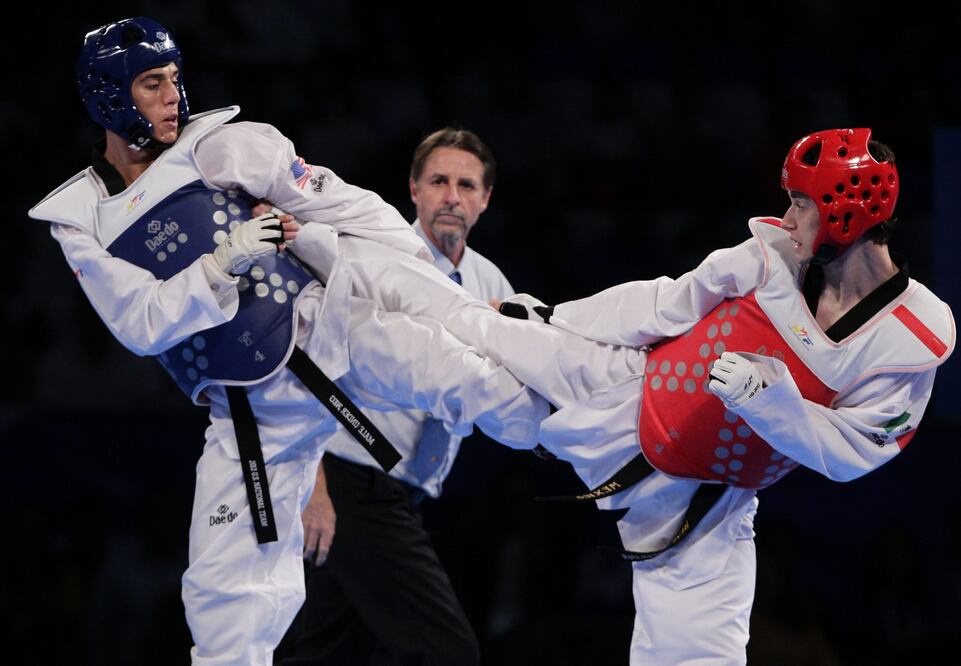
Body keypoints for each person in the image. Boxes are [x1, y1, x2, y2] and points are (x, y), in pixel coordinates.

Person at [29, 18, 549, 665]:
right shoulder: (79, 219)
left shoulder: (221, 146)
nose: (172, 96)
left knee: (478, 376)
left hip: (330, 329)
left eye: (174, 79)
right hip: (250, 413)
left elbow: (348, 207)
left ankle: (622, 420)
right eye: (152, 84)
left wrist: (412, 278)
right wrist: (223, 262)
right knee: (223, 604)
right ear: (109, 95)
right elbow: (140, 325)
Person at [361, 128, 956, 664]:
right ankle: (330, 280)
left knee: (700, 657)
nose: (788, 215)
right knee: (472, 340)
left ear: (844, 215)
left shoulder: (908, 338)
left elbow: (854, 451)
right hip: (625, 386)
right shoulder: (770, 255)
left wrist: (770, 402)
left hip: (706, 503)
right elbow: (662, 303)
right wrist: (553, 317)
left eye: (801, 203)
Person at [278, 127, 514, 665]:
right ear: (414, 189)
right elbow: (307, 369)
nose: (452, 196)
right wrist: (313, 489)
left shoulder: (492, 284)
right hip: (348, 479)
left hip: (408, 491)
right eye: (439, 181)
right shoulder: (374, 257)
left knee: (330, 650)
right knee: (446, 652)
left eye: (466, 184)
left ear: (484, 199)